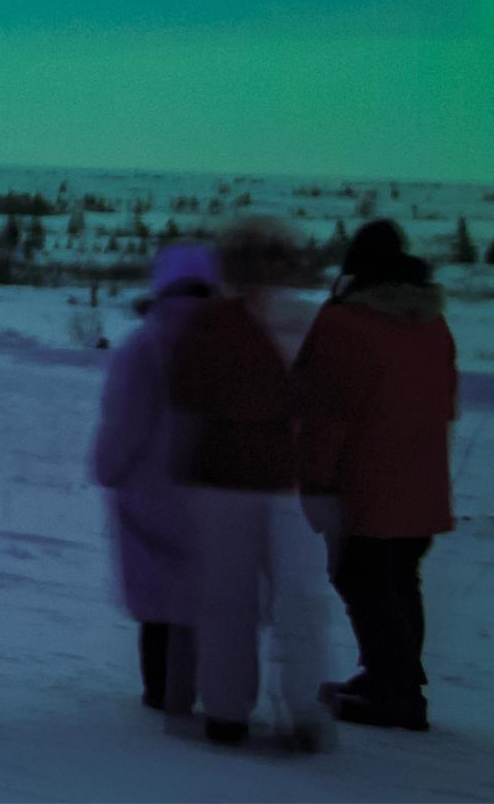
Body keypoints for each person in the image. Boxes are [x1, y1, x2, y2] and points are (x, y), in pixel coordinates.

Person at [169, 218, 334, 752]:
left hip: (238, 482)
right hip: (270, 483)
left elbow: (185, 396)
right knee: (290, 602)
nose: (264, 270)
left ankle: (233, 712)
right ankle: (288, 710)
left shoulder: (212, 325)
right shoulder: (308, 323)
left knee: (240, 602)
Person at [295, 220, 457, 733]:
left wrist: (317, 482)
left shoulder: (346, 325)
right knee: (401, 578)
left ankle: (395, 690)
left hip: (364, 478)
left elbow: (324, 412)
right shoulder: (433, 323)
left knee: (361, 577)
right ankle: (394, 677)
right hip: (423, 475)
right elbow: (447, 402)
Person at [90, 240, 220, 718]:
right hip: (218, 486)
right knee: (206, 591)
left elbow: (124, 420)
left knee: (161, 593)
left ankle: (164, 689)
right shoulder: (233, 341)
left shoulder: (145, 343)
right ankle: (210, 684)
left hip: (153, 488)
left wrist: (108, 468)